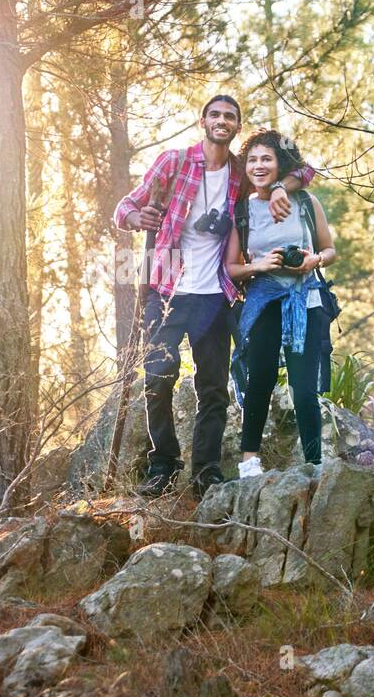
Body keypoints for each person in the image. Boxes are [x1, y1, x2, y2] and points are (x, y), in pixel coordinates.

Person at [114, 97, 315, 497]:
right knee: (157, 378)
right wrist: (137, 219)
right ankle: (163, 465)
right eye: (216, 115)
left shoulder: (243, 173)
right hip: (166, 292)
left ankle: (205, 470)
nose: (222, 121)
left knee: (212, 388)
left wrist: (277, 187)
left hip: (214, 295)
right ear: (203, 121)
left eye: (230, 117)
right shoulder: (173, 163)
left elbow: (306, 170)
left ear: (237, 126)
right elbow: (124, 208)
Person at [225, 129, 336, 477]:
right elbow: (231, 267)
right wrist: (259, 265)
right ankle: (249, 462)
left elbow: (330, 250)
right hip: (263, 300)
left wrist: (311, 261)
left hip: (307, 299)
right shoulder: (241, 212)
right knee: (259, 378)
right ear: (245, 166)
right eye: (253, 160)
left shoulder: (305, 202)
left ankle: (314, 462)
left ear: (279, 164)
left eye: (267, 159)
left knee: (304, 386)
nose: (259, 166)